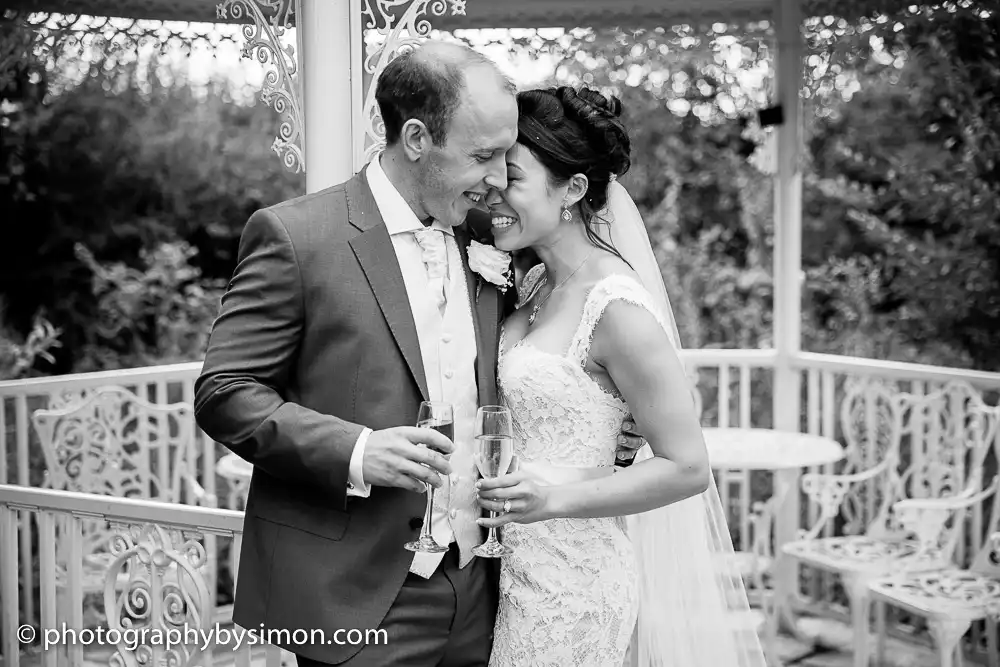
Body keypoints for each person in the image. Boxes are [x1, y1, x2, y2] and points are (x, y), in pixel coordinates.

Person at [194, 42, 643, 666]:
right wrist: (356, 450)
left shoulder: (491, 237)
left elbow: (583, 325)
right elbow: (226, 392)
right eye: (483, 156)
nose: (496, 179)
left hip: (486, 589)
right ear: (415, 138)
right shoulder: (298, 237)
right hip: (355, 593)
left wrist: (621, 416)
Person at [477, 86, 768, 666]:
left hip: (570, 587)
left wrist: (553, 499)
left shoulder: (617, 308)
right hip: (508, 565)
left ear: (574, 189)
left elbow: (687, 467)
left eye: (511, 177)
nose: (491, 192)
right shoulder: (535, 283)